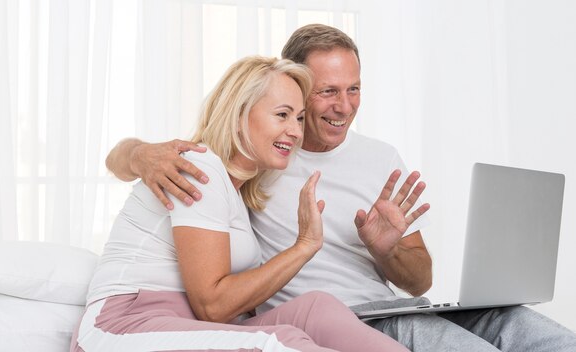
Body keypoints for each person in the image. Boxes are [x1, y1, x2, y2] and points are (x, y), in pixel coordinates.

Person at [104, 25, 576, 351]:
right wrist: (138, 153)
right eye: (327, 91)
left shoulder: (380, 157)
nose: (343, 107)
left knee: (528, 329)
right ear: (293, 86)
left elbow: (420, 280)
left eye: (354, 89)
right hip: (354, 320)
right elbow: (186, 155)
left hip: (407, 305)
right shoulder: (260, 156)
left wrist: (387, 251)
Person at [71, 56, 411, 352]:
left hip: (190, 325)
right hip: (124, 326)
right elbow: (213, 306)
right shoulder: (197, 167)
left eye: (299, 118)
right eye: (282, 115)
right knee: (275, 343)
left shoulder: (241, 191)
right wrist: (305, 245)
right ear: (238, 115)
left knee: (316, 308)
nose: (294, 131)